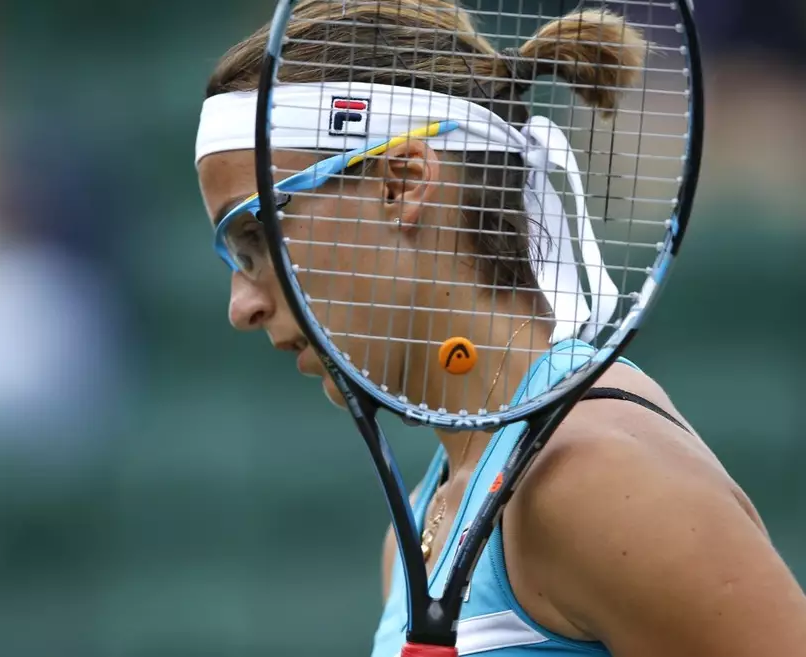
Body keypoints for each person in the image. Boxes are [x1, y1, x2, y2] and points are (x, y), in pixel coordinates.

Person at [194, 1, 806, 655]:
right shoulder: (416, 534)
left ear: (403, 183)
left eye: (257, 232)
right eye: (236, 256)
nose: (241, 306)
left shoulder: (595, 477)